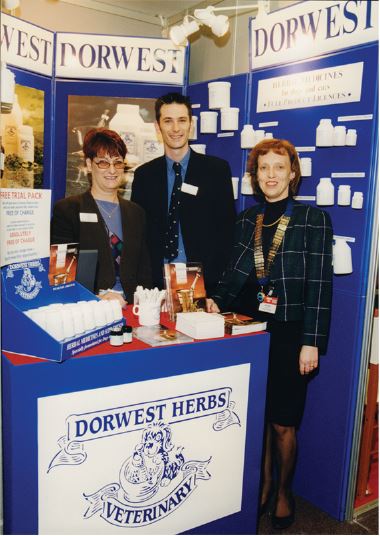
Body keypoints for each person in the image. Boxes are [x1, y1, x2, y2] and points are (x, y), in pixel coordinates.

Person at [207, 138, 333, 529]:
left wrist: (311, 340)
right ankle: (261, 485)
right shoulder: (247, 219)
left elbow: (319, 285)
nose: (271, 176)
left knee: (282, 422)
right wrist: (213, 300)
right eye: (264, 169)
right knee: (255, 418)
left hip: (290, 335)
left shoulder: (313, 219)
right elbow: (235, 273)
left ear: (293, 174)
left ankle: (283, 490)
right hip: (248, 329)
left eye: (280, 168)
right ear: (254, 176)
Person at [131, 92, 236, 295]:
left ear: (191, 124)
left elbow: (227, 234)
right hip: (156, 286)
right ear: (157, 127)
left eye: (182, 120)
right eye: (168, 121)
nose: (176, 128)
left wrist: (217, 292)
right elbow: (139, 235)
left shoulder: (216, 171)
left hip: (203, 285)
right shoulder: (144, 175)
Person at [51, 128, 152, 306]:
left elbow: (144, 272)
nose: (112, 170)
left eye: (117, 162)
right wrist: (94, 299)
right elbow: (60, 274)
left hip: (132, 308)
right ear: (89, 165)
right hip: (90, 307)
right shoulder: (68, 210)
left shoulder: (136, 213)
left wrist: (147, 302)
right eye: (103, 163)